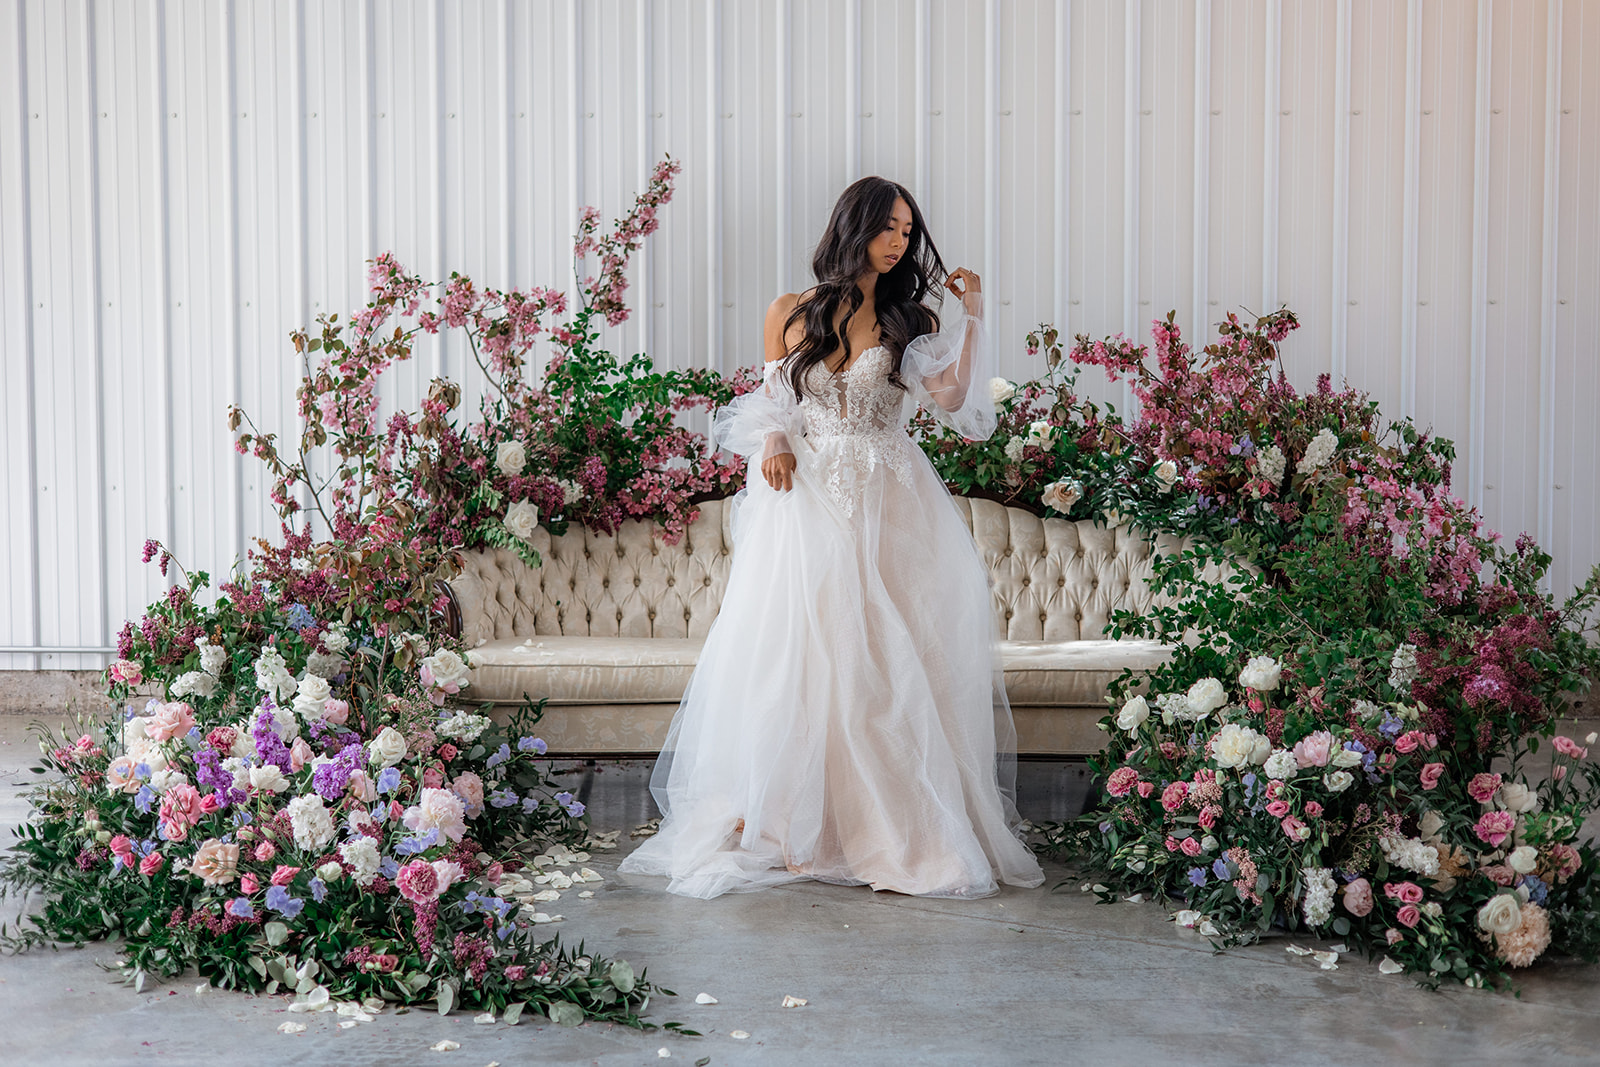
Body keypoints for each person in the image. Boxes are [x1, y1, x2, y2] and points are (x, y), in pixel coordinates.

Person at [617, 177, 1045, 899]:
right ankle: (794, 822)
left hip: (890, 502)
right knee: (803, 657)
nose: (899, 242)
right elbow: (771, 400)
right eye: (889, 227)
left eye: (908, 232)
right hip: (808, 501)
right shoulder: (789, 311)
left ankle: (890, 826)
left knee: (886, 663)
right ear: (855, 225)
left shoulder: (910, 319)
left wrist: (970, 316)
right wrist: (776, 442)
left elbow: (950, 401)